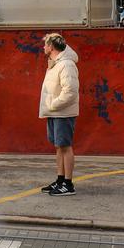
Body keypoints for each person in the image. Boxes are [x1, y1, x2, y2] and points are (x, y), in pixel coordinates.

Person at [39, 33, 81, 196]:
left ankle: (68, 184)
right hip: (55, 112)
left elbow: (70, 91)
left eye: (45, 45)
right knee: (59, 146)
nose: (43, 47)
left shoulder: (66, 65)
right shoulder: (56, 63)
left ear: (51, 47)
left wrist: (53, 105)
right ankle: (60, 179)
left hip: (62, 112)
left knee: (65, 146)